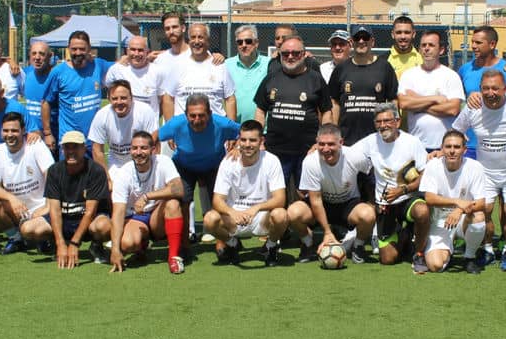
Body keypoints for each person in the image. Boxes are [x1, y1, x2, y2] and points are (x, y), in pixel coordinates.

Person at [452, 69, 506, 269]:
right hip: (485, 172)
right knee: (484, 210)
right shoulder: (473, 105)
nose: (490, 93)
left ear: (505, 89)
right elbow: (456, 130)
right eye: (485, 88)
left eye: (495, 88)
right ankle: (487, 249)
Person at [156, 93, 242, 255]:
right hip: (184, 166)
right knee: (183, 202)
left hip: (213, 165)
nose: (197, 120)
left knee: (219, 202)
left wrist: (237, 147)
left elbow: (244, 132)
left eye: (201, 115)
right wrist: (153, 155)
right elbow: (154, 136)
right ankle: (185, 245)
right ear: (186, 115)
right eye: (192, 116)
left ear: (209, 114)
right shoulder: (176, 123)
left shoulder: (222, 124)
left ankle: (222, 243)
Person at [351, 103, 430, 271]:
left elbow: (425, 175)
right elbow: (347, 153)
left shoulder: (412, 142)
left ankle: (419, 254)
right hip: (385, 205)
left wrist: (403, 189)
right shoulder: (371, 141)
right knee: (387, 259)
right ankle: (405, 235)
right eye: (378, 121)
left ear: (398, 121)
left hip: (408, 198)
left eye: (387, 120)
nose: (382, 125)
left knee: (422, 211)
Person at [254, 34, 332, 197]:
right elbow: (261, 111)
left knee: (304, 198)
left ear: (303, 54)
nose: (290, 57)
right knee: (275, 197)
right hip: (275, 151)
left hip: (307, 151)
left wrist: (321, 142)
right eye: (285, 53)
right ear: (280, 55)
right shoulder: (270, 79)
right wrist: (258, 139)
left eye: (295, 53)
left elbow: (326, 112)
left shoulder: (316, 79)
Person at [286, 123, 376, 264]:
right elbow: (315, 200)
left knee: (368, 214)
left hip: (348, 205)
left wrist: (372, 201)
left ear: (341, 143)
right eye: (321, 144)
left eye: (331, 144)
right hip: (322, 204)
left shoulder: (355, 156)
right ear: (316, 142)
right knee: (293, 212)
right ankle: (308, 244)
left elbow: (370, 176)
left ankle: (358, 246)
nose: (326, 149)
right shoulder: (310, 161)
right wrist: (327, 232)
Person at [203, 120, 289, 266]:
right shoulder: (228, 162)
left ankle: (270, 246)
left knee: (281, 214)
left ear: (261, 141)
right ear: (238, 140)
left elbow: (280, 199)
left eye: (253, 140)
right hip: (234, 219)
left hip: (260, 217)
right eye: (243, 140)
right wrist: (232, 212)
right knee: (209, 219)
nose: (247, 144)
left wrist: (255, 209)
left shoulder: (271, 160)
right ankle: (232, 244)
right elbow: (217, 200)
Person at [108, 131, 187, 274]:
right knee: (127, 244)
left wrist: (147, 196)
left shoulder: (163, 161)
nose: (138, 152)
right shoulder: (123, 173)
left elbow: (179, 189)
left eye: (143, 148)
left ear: (153, 149)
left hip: (158, 216)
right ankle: (142, 244)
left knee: (173, 203)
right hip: (136, 217)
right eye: (135, 148)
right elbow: (118, 212)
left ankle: (174, 257)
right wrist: (115, 249)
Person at [0, 112, 56, 254]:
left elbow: (52, 174)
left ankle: (45, 238)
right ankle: (16, 238)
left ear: (23, 131)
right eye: (6, 130)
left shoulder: (35, 145)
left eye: (14, 131)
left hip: (40, 208)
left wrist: (48, 205)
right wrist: (12, 199)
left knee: (33, 229)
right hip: (17, 210)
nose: (9, 134)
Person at [418, 130, 488, 274]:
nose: (452, 151)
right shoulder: (433, 165)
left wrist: (460, 210)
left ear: (464, 149)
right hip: (439, 222)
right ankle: (448, 248)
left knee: (479, 217)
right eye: (448, 147)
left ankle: (469, 257)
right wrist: (457, 202)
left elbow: (481, 203)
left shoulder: (475, 167)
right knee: (435, 266)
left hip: (463, 218)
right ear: (442, 148)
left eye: (456, 147)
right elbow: (429, 198)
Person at [42, 131, 113, 268]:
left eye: (75, 147)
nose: (71, 151)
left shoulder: (96, 170)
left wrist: (75, 244)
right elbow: (55, 211)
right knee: (30, 229)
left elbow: (90, 212)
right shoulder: (54, 171)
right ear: (62, 149)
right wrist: (60, 243)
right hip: (65, 219)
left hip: (89, 220)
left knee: (104, 226)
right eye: (67, 147)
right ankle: (56, 244)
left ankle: (96, 245)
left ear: (84, 148)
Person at [328, 25, 398, 144]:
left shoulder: (384, 67)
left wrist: (393, 128)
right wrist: (334, 132)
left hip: (377, 138)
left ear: (372, 41)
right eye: (357, 38)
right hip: (347, 139)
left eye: (365, 37)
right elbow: (334, 102)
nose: (361, 41)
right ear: (351, 42)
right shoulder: (341, 69)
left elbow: (393, 100)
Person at [397, 30, 465, 151]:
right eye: (423, 45)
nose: (427, 48)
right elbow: (404, 104)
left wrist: (417, 101)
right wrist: (435, 98)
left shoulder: (451, 76)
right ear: (419, 50)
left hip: (444, 148)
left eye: (431, 45)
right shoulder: (409, 75)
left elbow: (453, 109)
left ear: (441, 50)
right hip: (416, 146)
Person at [41, 31, 110, 145]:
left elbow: (120, 65)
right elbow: (45, 102)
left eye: (82, 49)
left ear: (89, 49)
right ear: (68, 49)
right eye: (74, 49)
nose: (78, 52)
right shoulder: (58, 72)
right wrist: (47, 133)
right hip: (69, 139)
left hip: (94, 140)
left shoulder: (98, 65)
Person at [159, 22, 236, 121]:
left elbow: (230, 99)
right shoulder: (178, 66)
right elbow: (168, 98)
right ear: (189, 40)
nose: (196, 41)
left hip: (214, 130)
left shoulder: (220, 66)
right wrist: (170, 130)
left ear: (208, 40)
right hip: (185, 130)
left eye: (200, 37)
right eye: (193, 37)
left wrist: (231, 130)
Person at [88, 79, 160, 172]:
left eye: (123, 98)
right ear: (109, 99)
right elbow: (97, 150)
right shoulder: (102, 115)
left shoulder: (145, 111)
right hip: (116, 162)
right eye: (114, 98)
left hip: (141, 160)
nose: (119, 102)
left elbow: (154, 142)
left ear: (131, 97)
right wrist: (107, 178)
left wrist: (150, 171)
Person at [105, 35, 163, 115]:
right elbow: (110, 92)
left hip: (148, 126)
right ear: (127, 51)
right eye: (133, 49)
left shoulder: (158, 72)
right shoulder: (116, 69)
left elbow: (163, 101)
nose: (136, 54)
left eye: (140, 50)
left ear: (147, 52)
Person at [224, 25, 270, 122]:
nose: (244, 45)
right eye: (239, 42)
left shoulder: (269, 64)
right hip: (235, 128)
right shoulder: (226, 65)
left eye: (248, 41)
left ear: (256, 43)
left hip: (262, 129)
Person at [23, 40, 60, 150]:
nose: (37, 57)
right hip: (31, 138)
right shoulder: (24, 74)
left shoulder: (57, 76)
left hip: (53, 137)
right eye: (34, 53)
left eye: (42, 54)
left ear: (50, 56)